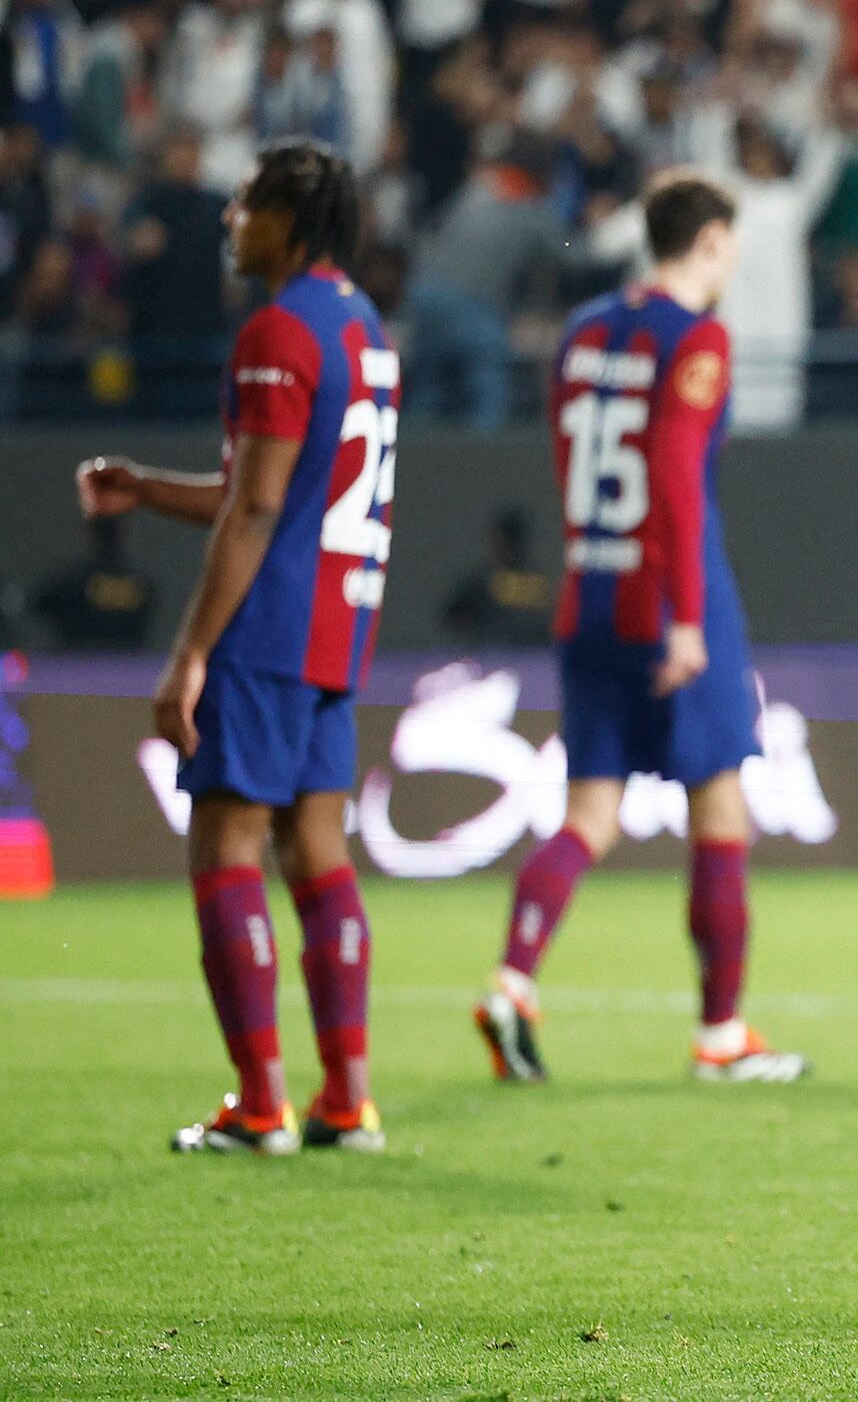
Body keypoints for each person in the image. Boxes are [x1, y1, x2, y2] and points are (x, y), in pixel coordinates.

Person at [72, 140, 396, 1154]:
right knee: (317, 850)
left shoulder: (276, 328)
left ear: (289, 220)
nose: (229, 220)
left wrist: (190, 653)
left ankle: (262, 1106)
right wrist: (144, 484)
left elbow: (257, 509)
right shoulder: (361, 325)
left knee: (226, 846)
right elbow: (266, 492)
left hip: (266, 625)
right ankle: (347, 1100)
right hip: (339, 622)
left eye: (246, 204)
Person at [472, 172, 806, 1087]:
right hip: (669, 600)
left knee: (587, 817)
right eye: (730, 243)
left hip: (588, 590)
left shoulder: (582, 330)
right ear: (707, 243)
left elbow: (565, 443)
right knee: (721, 809)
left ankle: (512, 984)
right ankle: (722, 1035)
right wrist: (689, 620)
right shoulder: (696, 339)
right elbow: (675, 480)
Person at [30, 514, 157, 650]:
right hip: (128, 663)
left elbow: (39, 605)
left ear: (91, 536)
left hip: (77, 662)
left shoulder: (71, 580)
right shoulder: (142, 581)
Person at [440, 507, 556, 648]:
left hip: (521, 656)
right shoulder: (537, 580)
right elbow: (453, 614)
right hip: (499, 654)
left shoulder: (486, 578)